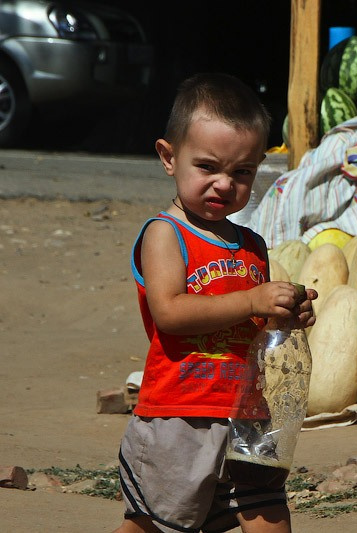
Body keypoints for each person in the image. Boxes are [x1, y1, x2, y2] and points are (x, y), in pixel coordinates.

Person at [113, 72, 317, 533]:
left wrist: (286, 316)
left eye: (241, 172)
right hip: (181, 416)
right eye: (207, 167)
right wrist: (252, 300)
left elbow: (255, 324)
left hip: (249, 413)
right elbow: (170, 311)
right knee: (158, 523)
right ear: (169, 157)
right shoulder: (165, 234)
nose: (224, 184)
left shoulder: (252, 244)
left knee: (267, 511)